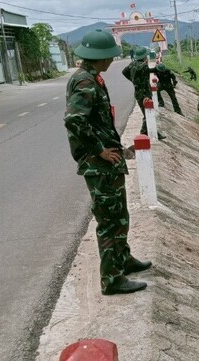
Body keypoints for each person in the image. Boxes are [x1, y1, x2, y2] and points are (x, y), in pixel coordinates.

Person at [64, 29, 152, 296]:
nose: (112, 61)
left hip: (106, 162)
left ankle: (122, 259)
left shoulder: (92, 77)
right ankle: (111, 279)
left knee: (119, 215)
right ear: (99, 57)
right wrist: (100, 150)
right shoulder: (85, 82)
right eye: (109, 57)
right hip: (98, 163)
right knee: (110, 221)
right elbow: (74, 120)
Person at [122, 47, 165, 140]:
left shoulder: (132, 64)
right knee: (148, 114)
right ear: (145, 56)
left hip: (137, 92)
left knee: (147, 114)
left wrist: (133, 80)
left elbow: (124, 72)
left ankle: (149, 132)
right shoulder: (144, 66)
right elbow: (147, 77)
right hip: (145, 93)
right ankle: (144, 132)